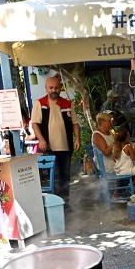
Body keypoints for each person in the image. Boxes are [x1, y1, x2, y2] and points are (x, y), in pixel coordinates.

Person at [31, 76, 81, 205]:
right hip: (49, 146)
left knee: (65, 176)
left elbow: (75, 123)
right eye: (51, 88)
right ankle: (58, 204)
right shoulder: (40, 103)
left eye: (56, 87)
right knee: (57, 177)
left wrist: (78, 139)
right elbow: (35, 123)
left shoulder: (67, 104)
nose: (54, 90)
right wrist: (41, 139)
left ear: (60, 88)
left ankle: (65, 202)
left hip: (66, 146)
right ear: (46, 88)